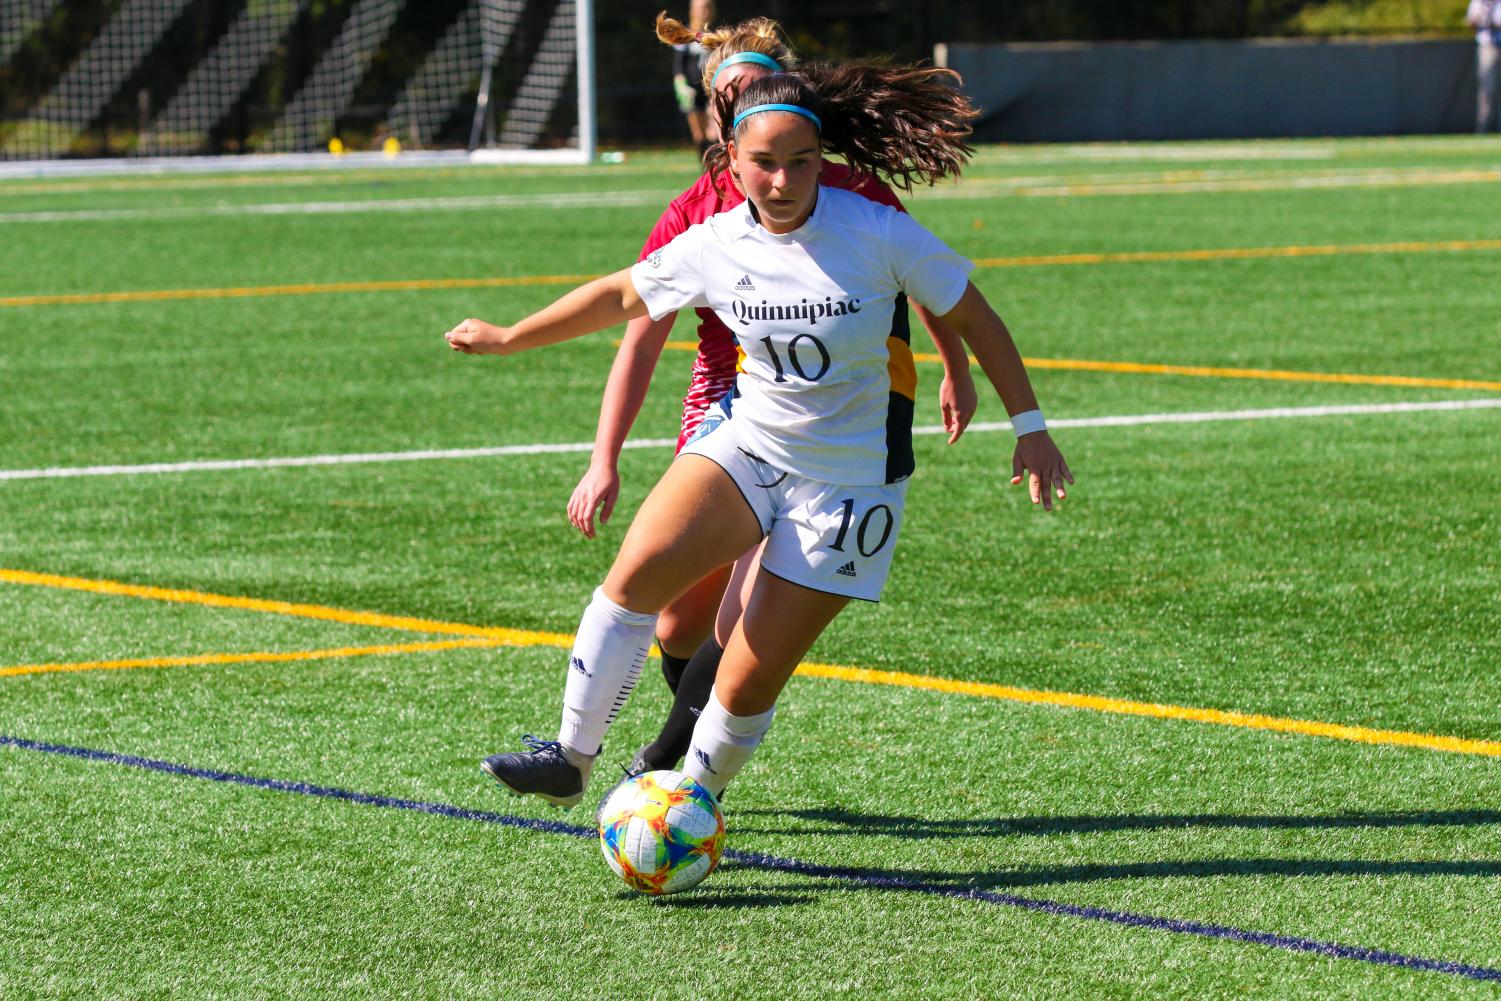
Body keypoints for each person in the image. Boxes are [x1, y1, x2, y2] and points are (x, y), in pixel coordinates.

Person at [447, 66, 1072, 811]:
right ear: (732, 161)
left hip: (851, 480)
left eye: (800, 161)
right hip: (751, 442)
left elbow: (976, 316)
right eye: (765, 164)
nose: (783, 180)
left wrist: (1029, 427)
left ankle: (691, 801)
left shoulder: (872, 229)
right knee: (637, 571)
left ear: (821, 157)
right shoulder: (712, 239)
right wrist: (508, 337)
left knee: (745, 675)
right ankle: (571, 756)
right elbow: (620, 295)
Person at [569, 13, 978, 780]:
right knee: (677, 619)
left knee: (741, 617)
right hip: (728, 408)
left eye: (756, 89)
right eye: (728, 98)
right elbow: (639, 332)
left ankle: (670, 769)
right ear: (716, 120)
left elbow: (931, 282)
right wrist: (604, 458)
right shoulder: (693, 211)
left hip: (830, 419)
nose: (744, 105)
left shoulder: (843, 188)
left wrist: (954, 365)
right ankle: (681, 745)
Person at [671, 0, 714, 156]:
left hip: (711, 90)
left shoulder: (716, 33)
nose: (705, 12)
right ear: (693, 10)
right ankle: (705, 169)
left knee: (714, 132)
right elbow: (678, 65)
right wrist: (681, 85)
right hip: (693, 92)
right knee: (699, 135)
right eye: (701, 8)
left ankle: (717, 165)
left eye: (708, 8)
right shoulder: (686, 34)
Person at [1469, 0, 1501, 133]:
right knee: (1487, 88)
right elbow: (1470, 21)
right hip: (1487, 44)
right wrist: (1481, 19)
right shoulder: (1479, 1)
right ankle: (1483, 130)